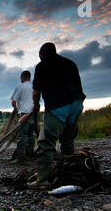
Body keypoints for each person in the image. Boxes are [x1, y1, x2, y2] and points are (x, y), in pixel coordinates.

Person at [28, 42, 86, 189]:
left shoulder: (42, 66)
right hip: (76, 104)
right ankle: (69, 172)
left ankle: (42, 180)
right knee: (67, 140)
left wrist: (36, 104)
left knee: (46, 143)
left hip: (57, 106)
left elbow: (36, 92)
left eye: (40, 55)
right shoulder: (70, 63)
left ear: (42, 54)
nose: (40, 58)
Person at [9, 70, 35, 163]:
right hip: (33, 114)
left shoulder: (20, 87)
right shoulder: (34, 87)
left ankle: (21, 158)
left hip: (24, 114)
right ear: (29, 77)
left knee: (22, 136)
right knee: (31, 135)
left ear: (22, 77)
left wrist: (16, 110)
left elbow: (13, 102)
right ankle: (30, 154)